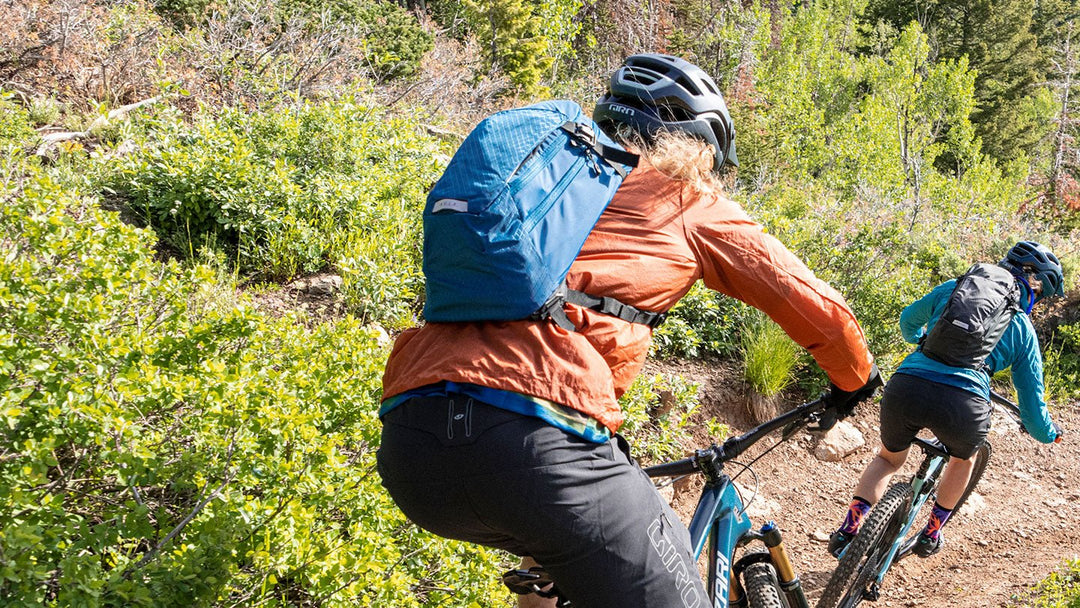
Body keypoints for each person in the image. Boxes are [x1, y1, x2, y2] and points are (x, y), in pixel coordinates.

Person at [377, 53, 881, 608]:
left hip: (413, 440)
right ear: (697, 144)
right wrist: (855, 379)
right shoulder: (683, 199)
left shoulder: (549, 191)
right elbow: (810, 304)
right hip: (536, 440)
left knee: (548, 560)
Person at [828, 241, 1066, 560]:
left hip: (907, 386)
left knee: (888, 460)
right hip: (964, 405)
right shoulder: (1022, 328)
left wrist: (921, 342)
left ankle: (847, 531)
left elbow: (908, 321)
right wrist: (1048, 433)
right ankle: (931, 533)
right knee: (963, 458)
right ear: (1035, 289)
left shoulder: (954, 290)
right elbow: (1033, 411)